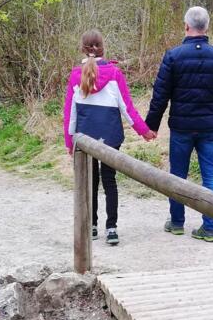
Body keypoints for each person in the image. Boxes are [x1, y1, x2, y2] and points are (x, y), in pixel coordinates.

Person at [145, 6, 213, 243]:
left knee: (177, 175)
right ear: (206, 27)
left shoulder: (173, 56)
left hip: (182, 128)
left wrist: (151, 126)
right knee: (211, 176)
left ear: (186, 26)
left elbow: (160, 95)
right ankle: (210, 227)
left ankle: (176, 222)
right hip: (210, 129)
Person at [63, 29, 155, 246]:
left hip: (85, 139)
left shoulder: (76, 75)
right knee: (109, 180)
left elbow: (70, 114)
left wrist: (70, 142)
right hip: (111, 136)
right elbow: (127, 109)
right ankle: (111, 228)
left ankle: (92, 226)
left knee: (91, 181)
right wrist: (145, 132)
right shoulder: (114, 74)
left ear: (82, 48)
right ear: (103, 48)